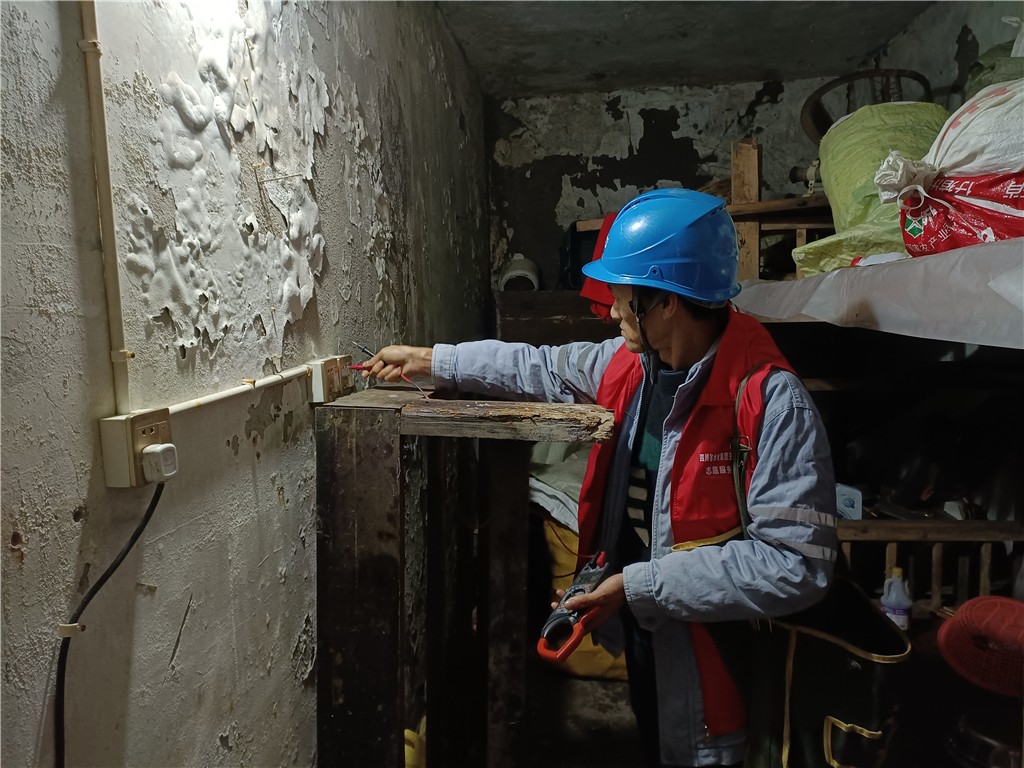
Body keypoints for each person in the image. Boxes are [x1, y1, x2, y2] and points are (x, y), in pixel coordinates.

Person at [362, 188, 838, 768]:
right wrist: (434, 360)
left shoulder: (773, 402)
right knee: (658, 740)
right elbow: (539, 366)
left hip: (718, 653)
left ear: (665, 301)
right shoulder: (634, 366)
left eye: (621, 295)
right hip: (646, 627)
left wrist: (638, 587)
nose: (612, 311)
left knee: (708, 752)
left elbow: (795, 566)